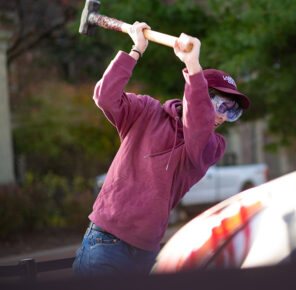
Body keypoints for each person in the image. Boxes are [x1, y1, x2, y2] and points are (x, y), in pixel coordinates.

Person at [72, 21, 250, 276]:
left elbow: (197, 127)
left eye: (232, 111)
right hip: (105, 242)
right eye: (221, 104)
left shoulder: (211, 146)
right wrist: (136, 50)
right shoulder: (146, 110)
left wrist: (192, 65)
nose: (223, 116)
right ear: (199, 93)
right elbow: (105, 97)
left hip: (146, 252)